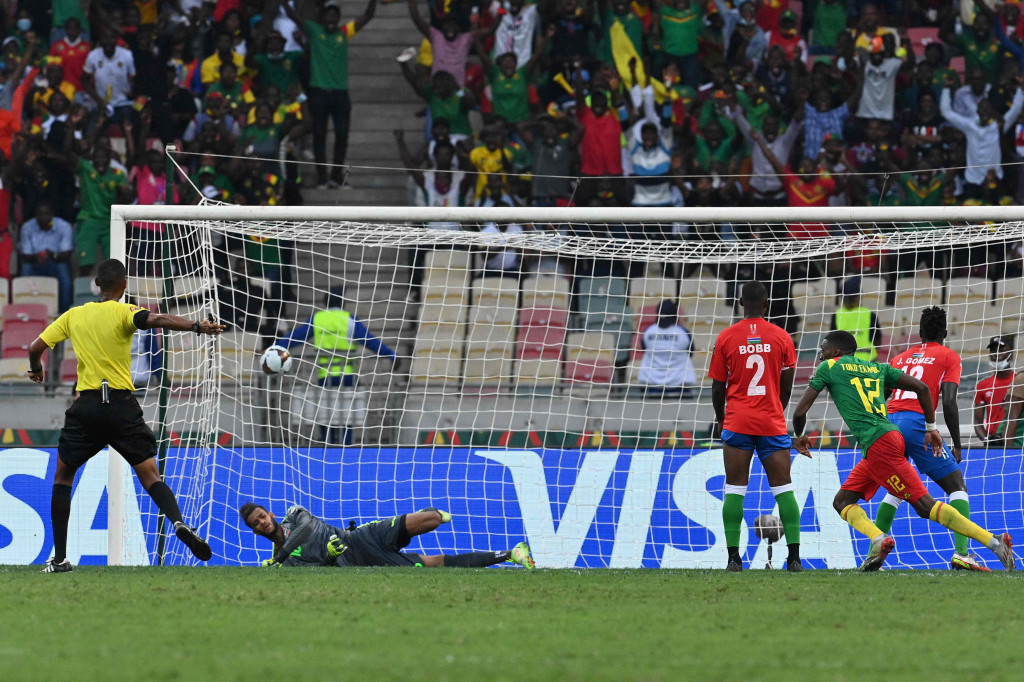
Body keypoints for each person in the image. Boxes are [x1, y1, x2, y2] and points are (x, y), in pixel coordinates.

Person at [27, 259, 224, 572]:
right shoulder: (126, 311)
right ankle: (178, 522)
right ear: (123, 286)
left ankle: (61, 557)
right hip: (121, 405)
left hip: (87, 405)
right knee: (149, 474)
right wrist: (197, 326)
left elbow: (35, 347)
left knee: (64, 475)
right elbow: (158, 318)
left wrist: (37, 369)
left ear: (97, 284)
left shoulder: (74, 315)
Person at [792, 330, 1015, 572]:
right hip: (885, 440)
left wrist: (799, 436)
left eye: (823, 349)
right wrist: (930, 427)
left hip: (879, 444)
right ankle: (878, 540)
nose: (820, 355)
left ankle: (994, 543)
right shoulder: (877, 368)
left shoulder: (829, 367)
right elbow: (920, 387)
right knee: (842, 501)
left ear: (836, 352)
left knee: (924, 506)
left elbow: (800, 412)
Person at [877, 307, 982, 570]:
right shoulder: (948, 357)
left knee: (896, 488)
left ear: (920, 332)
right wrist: (956, 443)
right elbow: (948, 401)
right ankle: (962, 553)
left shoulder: (899, 358)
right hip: (918, 424)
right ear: (945, 332)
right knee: (957, 486)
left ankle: (875, 548)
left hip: (889, 424)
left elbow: (882, 394)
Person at [708, 281, 803, 572]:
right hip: (771, 422)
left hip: (737, 421)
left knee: (735, 490)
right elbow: (787, 385)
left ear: (740, 303)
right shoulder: (782, 337)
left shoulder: (726, 337)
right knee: (784, 489)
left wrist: (722, 419)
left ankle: (734, 558)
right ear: (766, 304)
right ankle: (794, 559)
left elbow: (717, 386)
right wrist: (776, 409)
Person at [241, 502, 535, 569]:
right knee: (439, 564)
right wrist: (328, 556)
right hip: (359, 562)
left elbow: (307, 527)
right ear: (255, 531)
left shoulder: (294, 515)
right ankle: (511, 553)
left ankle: (426, 515)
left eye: (262, 516)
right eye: (256, 523)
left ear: (271, 514)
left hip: (360, 537)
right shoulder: (284, 564)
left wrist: (279, 555)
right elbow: (315, 570)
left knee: (431, 519)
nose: (262, 523)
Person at [275, 286, 398, 445]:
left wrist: (276, 348)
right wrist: (391, 354)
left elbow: (295, 337)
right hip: (347, 378)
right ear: (343, 303)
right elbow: (370, 341)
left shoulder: (318, 319)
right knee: (346, 420)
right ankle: (344, 454)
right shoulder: (350, 320)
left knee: (326, 419)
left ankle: (328, 454)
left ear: (325, 302)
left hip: (325, 378)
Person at [283, 0, 378, 188]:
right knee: (319, 135)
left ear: (339, 19)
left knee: (342, 136)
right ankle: (322, 177)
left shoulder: (344, 32)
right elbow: (293, 16)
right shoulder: (314, 30)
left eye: (335, 15)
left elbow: (367, 16)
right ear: (322, 18)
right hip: (319, 92)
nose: (331, 18)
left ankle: (336, 176)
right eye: (328, 15)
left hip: (340, 94)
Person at [18, 202, 74, 313]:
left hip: (56, 263)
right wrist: (37, 257)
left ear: (52, 214)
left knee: (64, 272)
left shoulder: (64, 226)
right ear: (35, 215)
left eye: (46, 214)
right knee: (26, 269)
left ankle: (63, 312)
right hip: (34, 263)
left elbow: (66, 254)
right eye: (40, 214)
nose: (43, 217)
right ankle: (25, 311)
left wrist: (52, 255)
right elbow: (25, 255)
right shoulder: (27, 227)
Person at [637, 300, 697, 393]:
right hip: (680, 385)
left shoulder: (648, 332)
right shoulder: (683, 333)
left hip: (652, 384)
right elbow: (691, 353)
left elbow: (644, 349)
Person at [974, 335, 1016, 446]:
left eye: (1002, 350)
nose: (997, 354)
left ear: (1010, 354)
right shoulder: (982, 385)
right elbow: (978, 422)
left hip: (1017, 443)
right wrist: (988, 441)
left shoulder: (1019, 382)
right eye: (993, 350)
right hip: (992, 444)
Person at [831, 277, 882, 362]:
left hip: (844, 366)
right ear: (859, 296)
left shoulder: (837, 315)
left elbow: (831, 342)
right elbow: (878, 341)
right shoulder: (869, 314)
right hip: (868, 365)